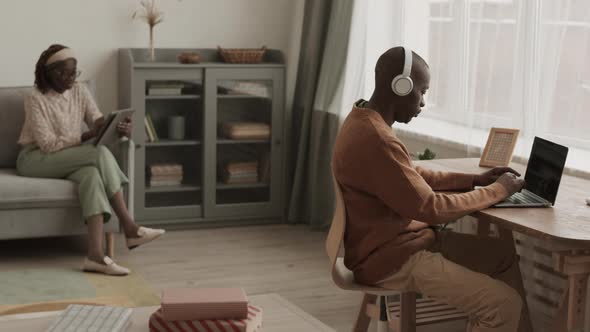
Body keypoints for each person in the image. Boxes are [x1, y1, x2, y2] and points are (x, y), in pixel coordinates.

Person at [332, 47, 533, 332]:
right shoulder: (376, 138)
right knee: (503, 305)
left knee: (502, 255)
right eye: (422, 92)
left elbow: (412, 173)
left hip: (396, 244)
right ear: (400, 87)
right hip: (393, 259)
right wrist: (499, 190)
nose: (424, 102)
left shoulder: (362, 119)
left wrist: (475, 181)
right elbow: (432, 208)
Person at [16, 44, 165, 276]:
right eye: (65, 73)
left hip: (65, 157)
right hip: (35, 158)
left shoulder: (79, 90)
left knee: (92, 175)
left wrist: (113, 127)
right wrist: (86, 135)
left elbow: (96, 119)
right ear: (50, 73)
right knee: (99, 153)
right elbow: (47, 144)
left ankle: (95, 255)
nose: (71, 78)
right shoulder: (35, 98)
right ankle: (130, 227)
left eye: (74, 72)